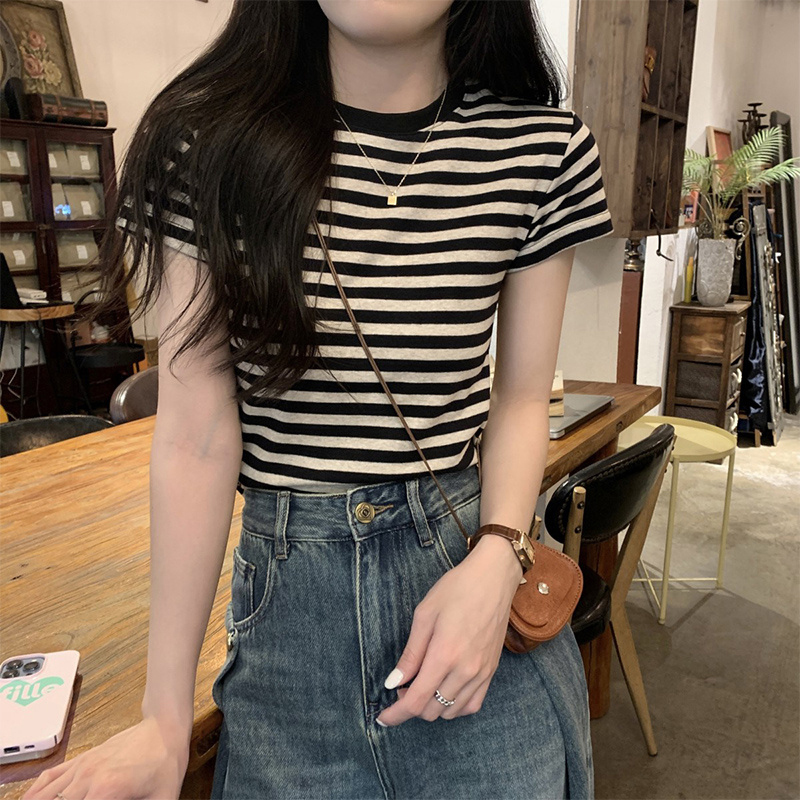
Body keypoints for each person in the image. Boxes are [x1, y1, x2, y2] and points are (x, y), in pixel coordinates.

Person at [23, 1, 613, 798]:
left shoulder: (541, 150)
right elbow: (195, 438)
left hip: (471, 608)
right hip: (288, 639)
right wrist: (163, 720)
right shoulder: (202, 143)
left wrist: (498, 557)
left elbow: (518, 398)